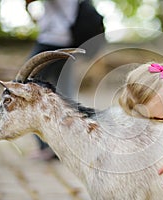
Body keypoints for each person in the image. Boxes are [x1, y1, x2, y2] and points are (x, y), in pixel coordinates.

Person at [25, 0, 104, 160]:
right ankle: (71, 145)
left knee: (23, 88)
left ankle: (48, 146)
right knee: (64, 95)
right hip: (66, 42)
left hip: (51, 41)